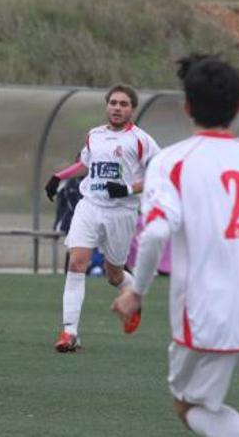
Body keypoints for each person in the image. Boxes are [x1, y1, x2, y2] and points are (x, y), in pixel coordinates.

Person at [113, 54, 239, 437]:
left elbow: (154, 234)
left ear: (186, 106)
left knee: (188, 405)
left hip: (206, 312)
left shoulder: (171, 162)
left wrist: (136, 291)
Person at [44, 84, 160, 352]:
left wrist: (128, 189)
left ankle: (134, 297)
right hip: (90, 206)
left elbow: (158, 174)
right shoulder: (94, 135)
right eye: (113, 103)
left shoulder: (142, 140)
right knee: (77, 263)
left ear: (132, 109)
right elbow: (86, 164)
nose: (117, 108)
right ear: (107, 105)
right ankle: (69, 333)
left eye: (123, 104)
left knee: (114, 274)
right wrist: (59, 176)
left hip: (121, 211)